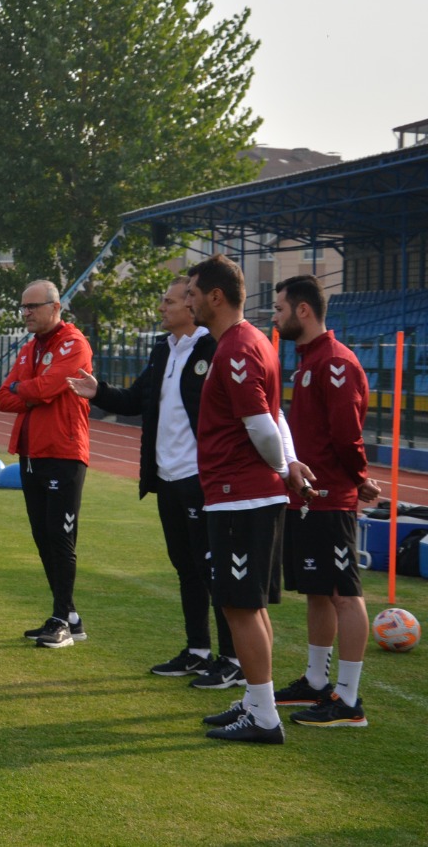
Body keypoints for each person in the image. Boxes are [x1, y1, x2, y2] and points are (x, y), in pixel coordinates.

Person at [68, 278, 236, 682]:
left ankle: (233, 661)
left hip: (202, 478)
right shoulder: (163, 349)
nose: (161, 307)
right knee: (186, 568)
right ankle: (198, 650)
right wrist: (98, 392)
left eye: (169, 301)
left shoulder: (213, 349)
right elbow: (134, 400)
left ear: (191, 307)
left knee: (213, 571)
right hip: (168, 477)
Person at [187, 255, 303, 744]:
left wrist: (280, 468)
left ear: (216, 296)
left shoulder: (236, 348)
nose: (188, 300)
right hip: (244, 495)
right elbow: (274, 415)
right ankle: (259, 702)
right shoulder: (249, 341)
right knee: (249, 607)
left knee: (238, 607)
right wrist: (288, 464)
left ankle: (264, 718)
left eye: (192, 293)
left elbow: (260, 423)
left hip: (241, 496)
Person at [272, 274, 380, 728]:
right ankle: (317, 682)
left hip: (331, 496)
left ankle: (349, 701)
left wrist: (360, 480)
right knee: (317, 592)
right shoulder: (308, 360)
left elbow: (345, 434)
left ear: (303, 310)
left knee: (343, 594)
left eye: (279, 310)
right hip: (305, 497)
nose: (275, 319)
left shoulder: (335, 361)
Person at [0, 279, 92, 649]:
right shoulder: (29, 350)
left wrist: (29, 389)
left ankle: (61, 620)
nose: (26, 314)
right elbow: (5, 397)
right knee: (42, 537)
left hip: (63, 453)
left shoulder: (74, 343)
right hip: (31, 453)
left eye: (33, 307)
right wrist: (32, 390)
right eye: (23, 307)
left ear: (56, 308)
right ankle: (69, 617)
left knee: (59, 537)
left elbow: (50, 387)